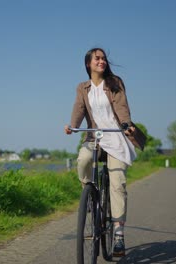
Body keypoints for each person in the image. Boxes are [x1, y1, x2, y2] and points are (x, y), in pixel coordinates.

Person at [64, 47, 138, 257]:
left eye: (104, 58)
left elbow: (121, 106)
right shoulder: (83, 88)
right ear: (88, 63)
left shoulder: (115, 83)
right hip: (95, 137)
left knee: (117, 184)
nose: (102, 61)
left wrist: (126, 124)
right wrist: (72, 125)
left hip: (115, 137)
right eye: (97, 58)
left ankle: (118, 234)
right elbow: (79, 108)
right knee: (83, 159)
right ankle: (88, 193)